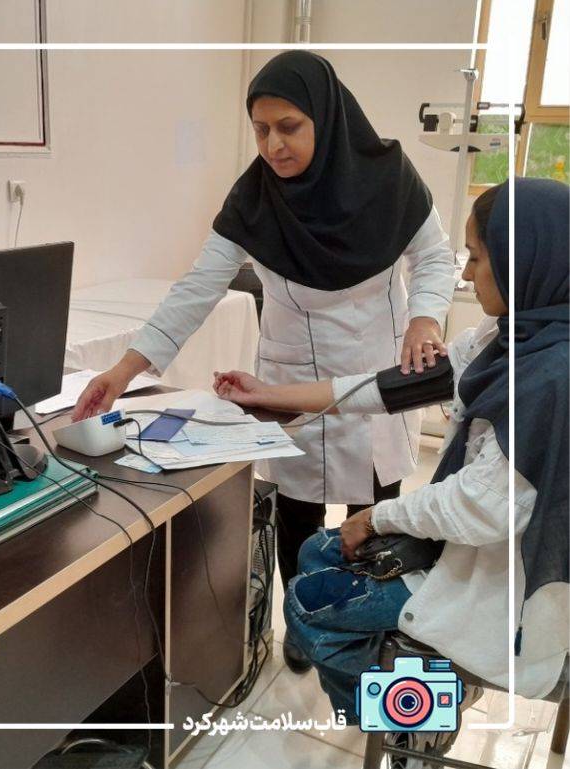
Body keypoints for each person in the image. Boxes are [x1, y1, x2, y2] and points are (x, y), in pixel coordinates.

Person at [72, 51, 455, 672]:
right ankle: (301, 625)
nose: (273, 145)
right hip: (291, 373)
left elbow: (435, 257)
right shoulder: (254, 198)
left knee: (374, 507)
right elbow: (197, 288)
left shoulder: (389, 177)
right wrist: (125, 369)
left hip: (374, 369)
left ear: (326, 119)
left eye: (289, 127)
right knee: (296, 508)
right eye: (260, 129)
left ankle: (360, 622)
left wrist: (425, 318)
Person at [215, 180, 570, 751]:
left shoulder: (552, 378)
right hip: (481, 547)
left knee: (307, 603)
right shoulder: (508, 339)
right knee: (314, 552)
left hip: (509, 584)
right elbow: (388, 388)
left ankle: (419, 724)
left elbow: (480, 507)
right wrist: (272, 395)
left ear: (523, 260)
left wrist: (376, 517)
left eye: (477, 258)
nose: (465, 274)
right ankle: (419, 698)